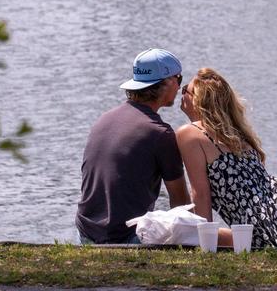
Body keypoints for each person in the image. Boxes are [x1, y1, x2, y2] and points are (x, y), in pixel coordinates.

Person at [175, 67, 277, 250]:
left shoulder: (190, 134)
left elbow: (200, 193)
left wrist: (205, 243)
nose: (181, 94)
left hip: (269, 219)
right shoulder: (237, 133)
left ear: (199, 100)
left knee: (182, 233)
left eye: (186, 90)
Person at [76, 48, 192, 244]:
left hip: (86, 232)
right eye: (179, 80)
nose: (180, 88)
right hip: (125, 237)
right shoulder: (160, 133)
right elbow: (181, 204)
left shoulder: (103, 120)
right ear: (168, 82)